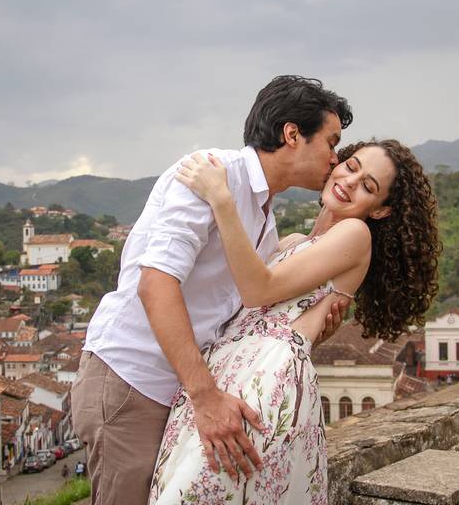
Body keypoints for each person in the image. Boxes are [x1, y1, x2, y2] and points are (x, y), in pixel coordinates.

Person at [71, 75, 354, 505]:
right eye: (331, 143)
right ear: (292, 134)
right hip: (134, 381)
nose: (335, 158)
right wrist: (206, 399)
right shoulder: (209, 174)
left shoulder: (263, 221)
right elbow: (155, 284)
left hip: (177, 392)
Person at [149, 139, 440, 503]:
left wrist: (221, 199)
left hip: (266, 381)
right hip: (226, 374)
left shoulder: (355, 234)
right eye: (352, 167)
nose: (351, 181)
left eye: (368, 186)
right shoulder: (293, 241)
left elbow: (258, 289)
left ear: (380, 211)